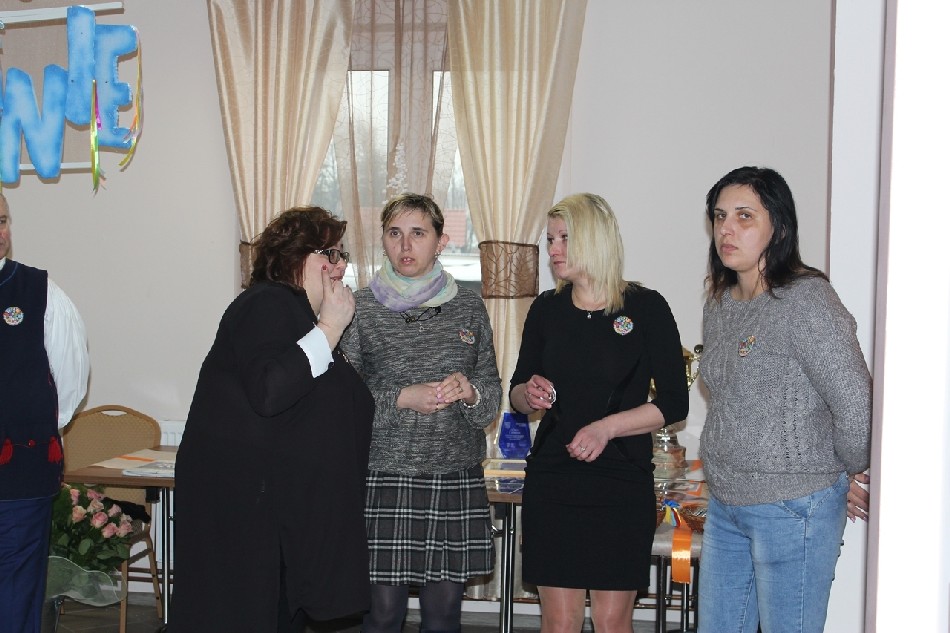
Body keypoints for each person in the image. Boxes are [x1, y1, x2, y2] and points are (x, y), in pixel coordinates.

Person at [169, 207, 374, 633]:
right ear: (294, 256)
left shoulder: (301, 319)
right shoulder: (265, 303)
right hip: (247, 517)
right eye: (330, 254)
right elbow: (270, 391)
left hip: (281, 514)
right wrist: (330, 327)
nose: (340, 266)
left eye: (342, 255)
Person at [697, 166, 872, 633]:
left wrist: (846, 470)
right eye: (719, 216)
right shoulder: (720, 303)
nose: (726, 229)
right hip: (726, 502)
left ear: (777, 226)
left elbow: (856, 402)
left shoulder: (806, 300)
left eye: (744, 216)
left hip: (793, 508)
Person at [509, 193, 689, 633]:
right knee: (559, 622)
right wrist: (528, 393)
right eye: (550, 239)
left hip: (621, 482)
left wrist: (607, 428)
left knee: (611, 623)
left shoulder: (646, 308)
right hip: (554, 479)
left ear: (594, 238)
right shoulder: (546, 309)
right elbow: (516, 393)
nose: (553, 249)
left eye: (564, 238)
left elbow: (674, 402)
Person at [341, 193, 501, 633]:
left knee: (444, 616)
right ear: (383, 240)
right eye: (394, 233)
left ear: (440, 241)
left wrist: (471, 393)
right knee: (383, 613)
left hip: (453, 475)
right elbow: (341, 400)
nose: (405, 245)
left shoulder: (469, 306)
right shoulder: (360, 308)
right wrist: (400, 398)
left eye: (418, 233)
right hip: (384, 475)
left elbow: (491, 390)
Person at [0, 194, 90, 633]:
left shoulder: (40, 292)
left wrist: (29, 427)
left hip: (20, 470)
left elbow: (69, 381)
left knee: (17, 586)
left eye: (2, 220)